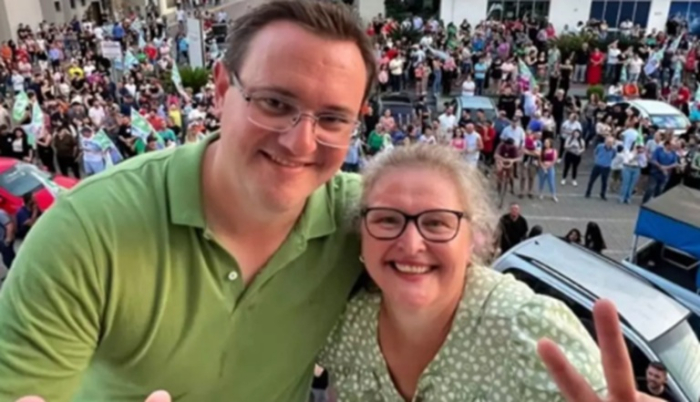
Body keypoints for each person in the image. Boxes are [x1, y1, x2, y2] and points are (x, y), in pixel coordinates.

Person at [0, 2, 376, 401]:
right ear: (222, 90)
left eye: (333, 119)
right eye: (275, 103)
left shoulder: (371, 220)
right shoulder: (88, 229)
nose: (300, 142)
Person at [319, 144, 606, 400]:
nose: (411, 244)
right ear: (361, 233)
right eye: (387, 220)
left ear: (473, 238)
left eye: (436, 223)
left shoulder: (528, 331)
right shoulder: (344, 323)